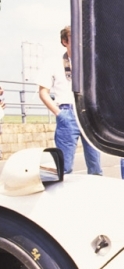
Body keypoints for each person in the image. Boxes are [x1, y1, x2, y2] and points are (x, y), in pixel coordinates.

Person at [38, 26, 103, 175]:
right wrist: (59, 113)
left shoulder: (91, 63)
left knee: (95, 167)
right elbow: (43, 92)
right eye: (74, 38)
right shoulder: (53, 63)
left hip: (89, 114)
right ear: (64, 42)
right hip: (68, 113)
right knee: (64, 168)